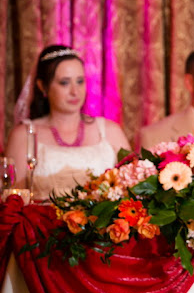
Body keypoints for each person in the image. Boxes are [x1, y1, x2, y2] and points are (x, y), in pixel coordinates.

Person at [5, 45, 131, 202]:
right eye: (64, 83)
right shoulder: (24, 135)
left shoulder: (111, 131)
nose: (75, 91)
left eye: (80, 81)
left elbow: (132, 187)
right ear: (42, 86)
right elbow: (13, 201)